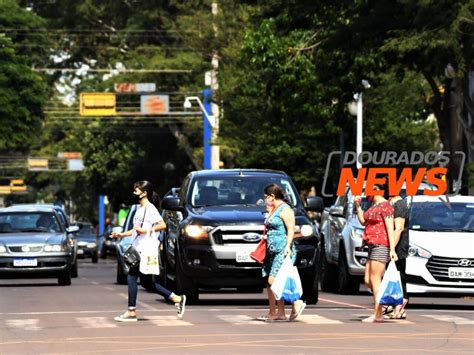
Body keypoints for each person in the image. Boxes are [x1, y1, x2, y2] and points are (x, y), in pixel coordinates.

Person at [111, 180, 186, 322]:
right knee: (147, 283)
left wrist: (146, 230)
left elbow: (162, 225)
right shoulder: (139, 209)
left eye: (136, 190)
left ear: (144, 193)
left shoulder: (150, 209)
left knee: (132, 276)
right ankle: (176, 298)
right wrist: (121, 235)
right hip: (139, 247)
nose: (134, 192)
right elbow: (136, 230)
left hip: (145, 249)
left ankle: (131, 311)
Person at [258, 184, 306, 322]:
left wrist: (287, 246)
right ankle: (280, 312)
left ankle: (296, 302)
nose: (265, 200)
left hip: (282, 249)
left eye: (266, 197)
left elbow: (291, 229)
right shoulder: (274, 209)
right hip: (271, 250)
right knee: (271, 279)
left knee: (274, 280)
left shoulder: (285, 209)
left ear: (272, 196)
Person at [354, 183, 397, 323]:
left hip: (381, 244)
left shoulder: (387, 206)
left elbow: (391, 228)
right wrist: (358, 206)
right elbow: (362, 221)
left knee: (375, 278)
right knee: (368, 280)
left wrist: (392, 249)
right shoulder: (373, 206)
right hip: (371, 245)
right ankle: (382, 305)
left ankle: (378, 314)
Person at [385, 188, 409, 319]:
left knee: (399, 277)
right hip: (394, 246)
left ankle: (400, 308)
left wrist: (391, 248)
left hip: (398, 247)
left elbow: (399, 228)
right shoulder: (393, 203)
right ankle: (395, 308)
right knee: (395, 277)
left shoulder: (399, 204)